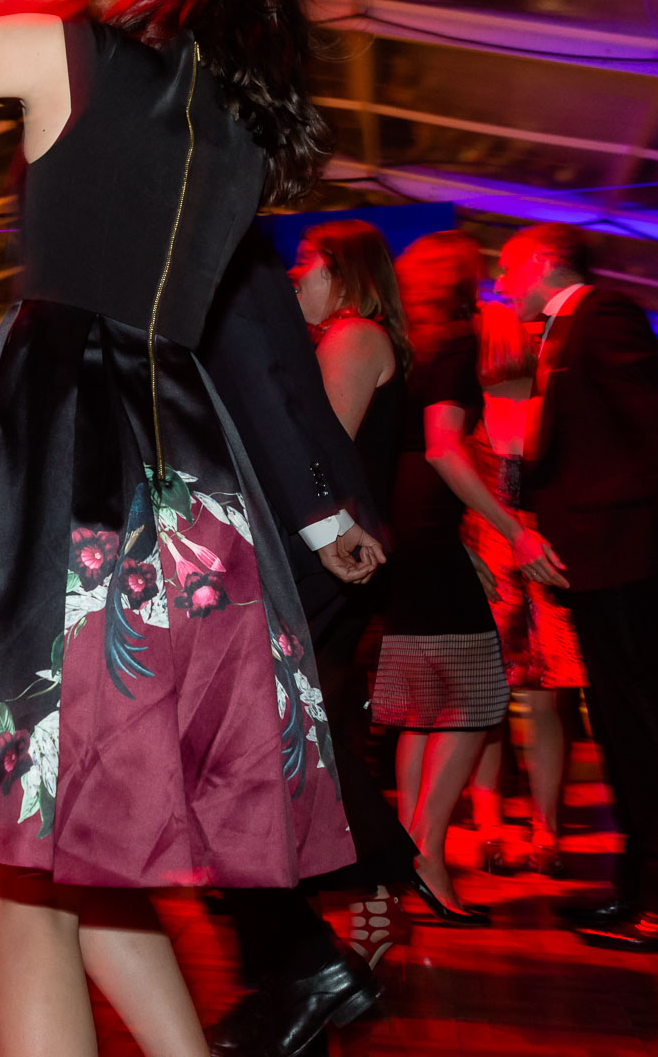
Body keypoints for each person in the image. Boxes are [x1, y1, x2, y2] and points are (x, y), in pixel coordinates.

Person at [0, 0, 363, 1057]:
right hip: (194, 490)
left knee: (29, 881)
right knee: (84, 850)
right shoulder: (245, 133)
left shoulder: (72, 50)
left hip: (72, 468)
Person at [204, 220, 420, 1057]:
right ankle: (319, 941)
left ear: (341, 274)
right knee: (297, 732)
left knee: (298, 734)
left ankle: (362, 898)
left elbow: (306, 438)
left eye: (308, 269)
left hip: (316, 549)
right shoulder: (349, 335)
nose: (297, 281)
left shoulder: (353, 336)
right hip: (329, 548)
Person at [498, 222, 658, 952]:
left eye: (511, 267)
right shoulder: (558, 331)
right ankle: (638, 888)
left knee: (639, 720)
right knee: (615, 723)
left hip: (623, 550)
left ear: (546, 262)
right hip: (597, 554)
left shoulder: (602, 314)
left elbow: (646, 421)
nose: (504, 281)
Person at [372, 231, 532, 927]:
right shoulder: (459, 343)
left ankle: (410, 854)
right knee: (475, 698)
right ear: (467, 281)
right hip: (429, 530)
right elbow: (444, 448)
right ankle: (429, 856)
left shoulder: (405, 343)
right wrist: (513, 530)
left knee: (419, 706)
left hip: (396, 527)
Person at [460, 302, 583, 879]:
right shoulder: (535, 404)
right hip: (521, 555)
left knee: (498, 707)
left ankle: (498, 827)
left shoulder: (472, 407)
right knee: (542, 706)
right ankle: (540, 830)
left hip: (505, 555)